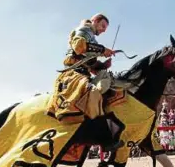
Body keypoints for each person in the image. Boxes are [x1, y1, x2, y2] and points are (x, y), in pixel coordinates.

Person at [46, 13, 121, 150]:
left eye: (105, 28)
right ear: (95, 21)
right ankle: (101, 135)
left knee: (106, 76)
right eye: (103, 26)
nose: (104, 30)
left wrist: (104, 65)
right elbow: (79, 47)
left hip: (84, 73)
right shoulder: (84, 30)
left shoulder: (91, 37)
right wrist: (103, 50)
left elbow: (91, 64)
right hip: (73, 73)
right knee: (93, 92)